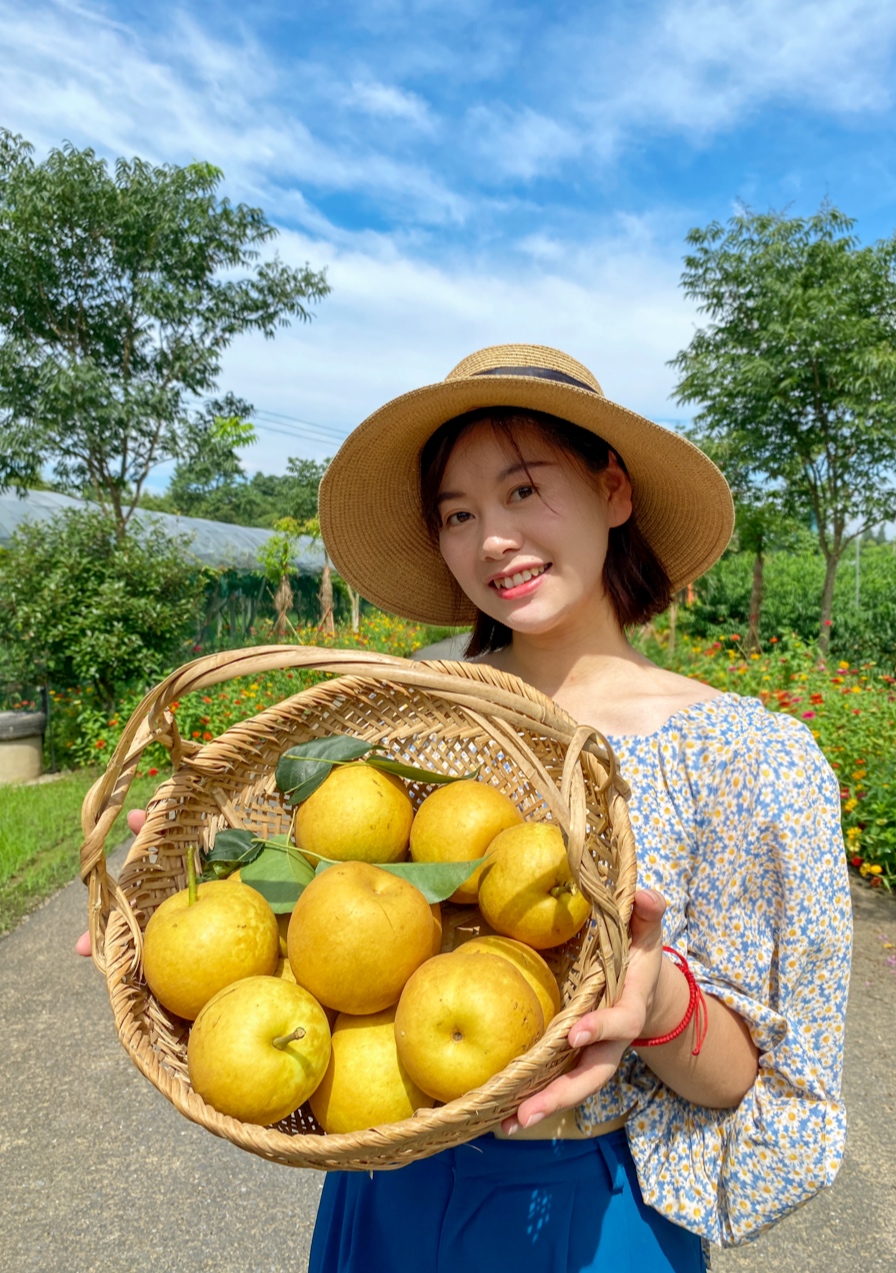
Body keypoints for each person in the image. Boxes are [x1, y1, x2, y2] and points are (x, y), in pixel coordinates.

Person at [79, 343, 851, 1273]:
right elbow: (324, 928)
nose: (490, 536)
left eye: (523, 490)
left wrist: (657, 1001)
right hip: (384, 1193)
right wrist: (200, 877)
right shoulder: (405, 724)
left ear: (613, 490)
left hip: (595, 1213)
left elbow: (760, 1088)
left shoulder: (747, 760)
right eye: (458, 511)